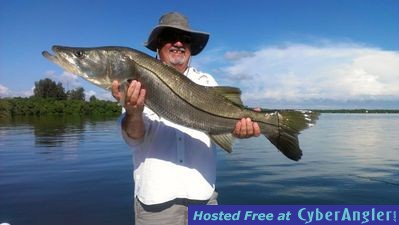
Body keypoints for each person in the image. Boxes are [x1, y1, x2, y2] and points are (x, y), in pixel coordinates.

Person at [111, 12, 260, 225]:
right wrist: (134, 112)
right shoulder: (135, 81)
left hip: (204, 199)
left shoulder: (207, 81)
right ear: (157, 45)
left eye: (186, 39)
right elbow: (133, 138)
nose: (179, 43)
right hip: (155, 205)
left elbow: (223, 129)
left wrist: (240, 129)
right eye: (170, 36)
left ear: (191, 48)